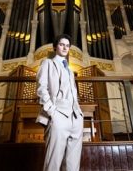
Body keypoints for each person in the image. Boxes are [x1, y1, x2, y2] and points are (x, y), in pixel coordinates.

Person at [36, 34, 84, 171]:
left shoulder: (69, 69)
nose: (65, 47)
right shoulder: (48, 63)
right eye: (62, 44)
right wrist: (52, 111)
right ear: (56, 46)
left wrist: (79, 113)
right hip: (58, 115)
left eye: (67, 45)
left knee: (73, 164)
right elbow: (41, 88)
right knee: (53, 162)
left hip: (75, 117)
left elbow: (73, 93)